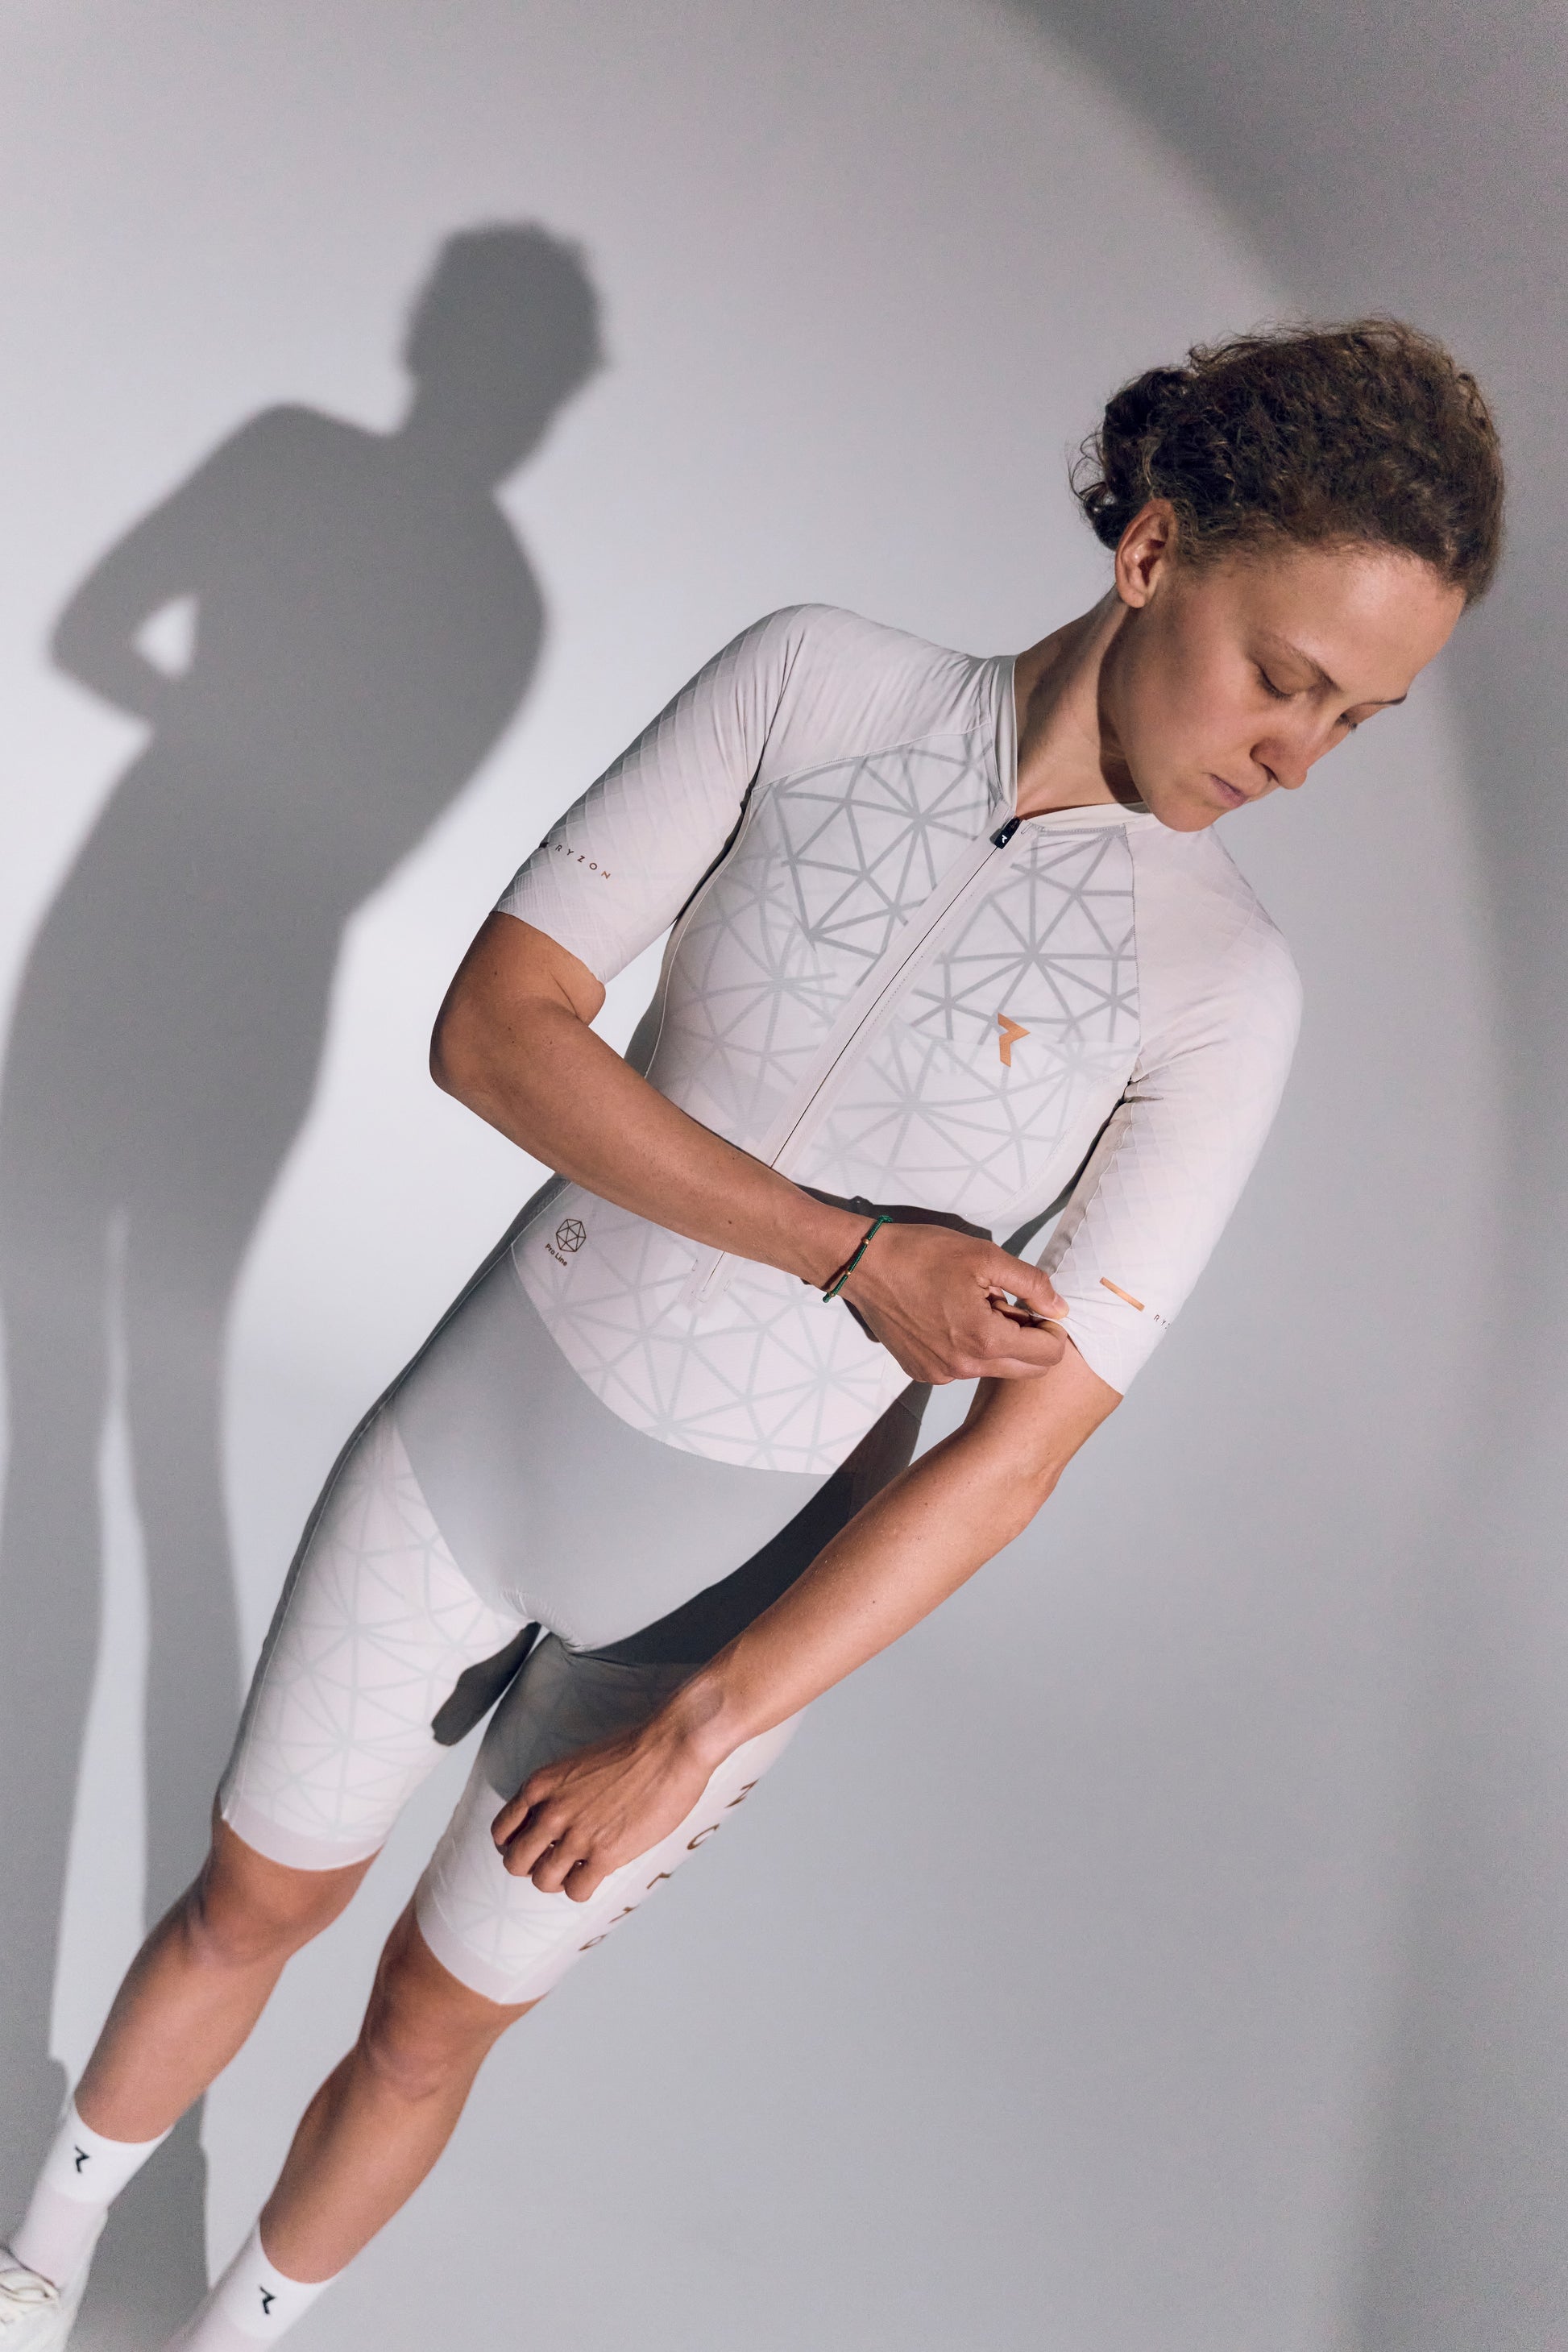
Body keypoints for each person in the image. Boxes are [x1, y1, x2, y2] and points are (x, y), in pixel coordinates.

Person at [0, 318, 1503, 2347]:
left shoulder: (1226, 993)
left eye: (1358, 722)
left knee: (430, 2030)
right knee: (250, 1900)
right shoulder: (817, 682)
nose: (1295, 756)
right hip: (482, 1441)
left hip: (727, 1605)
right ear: (1153, 551)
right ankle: (35, 2268)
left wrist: (700, 1729)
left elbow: (1020, 1458)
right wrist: (849, 1253)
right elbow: (493, 1031)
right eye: (1283, 676)